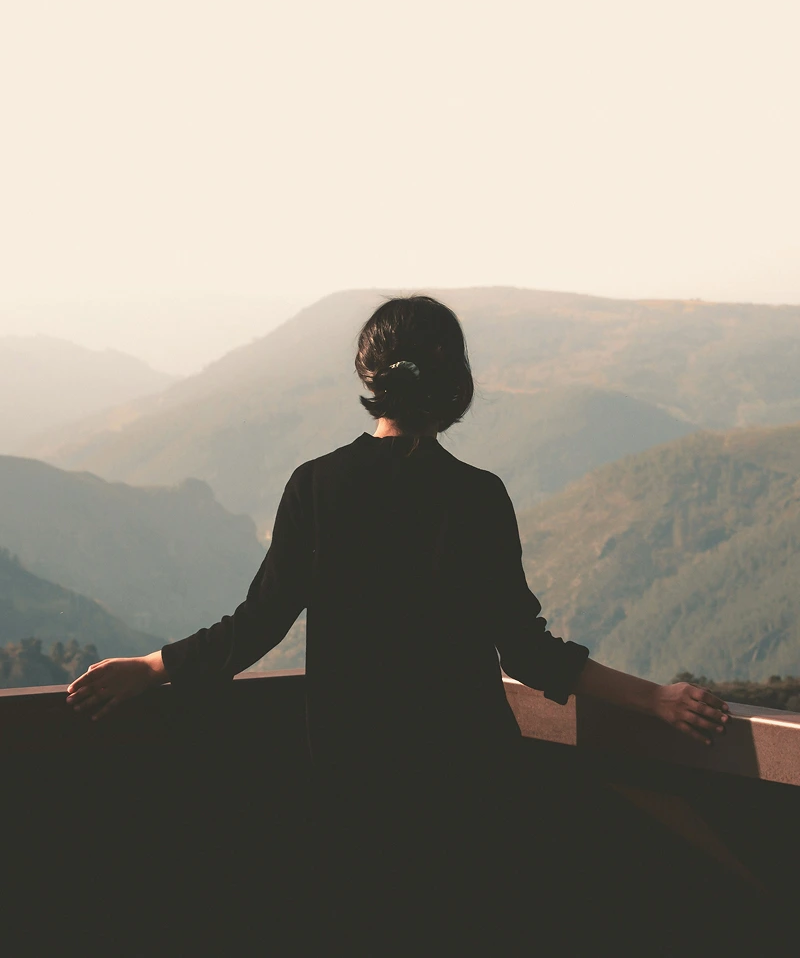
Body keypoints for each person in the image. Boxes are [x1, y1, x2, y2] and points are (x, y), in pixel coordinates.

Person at [65, 294, 729, 953]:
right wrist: (657, 698)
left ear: (369, 375)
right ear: (453, 382)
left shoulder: (315, 488)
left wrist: (151, 669)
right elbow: (527, 652)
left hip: (355, 795)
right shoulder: (479, 497)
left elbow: (256, 625)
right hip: (473, 790)